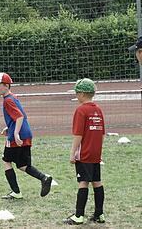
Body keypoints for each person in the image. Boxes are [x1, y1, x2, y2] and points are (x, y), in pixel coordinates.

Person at [0, 72, 53, 199]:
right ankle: (44, 178)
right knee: (22, 165)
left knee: (6, 161)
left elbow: (19, 117)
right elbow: (22, 116)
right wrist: (9, 127)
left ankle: (16, 192)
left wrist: (15, 133)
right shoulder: (13, 97)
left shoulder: (7, 100)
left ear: (6, 85)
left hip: (16, 137)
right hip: (26, 134)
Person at [64, 78, 106, 225]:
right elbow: (102, 134)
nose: (76, 95)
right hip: (96, 152)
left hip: (84, 153)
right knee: (97, 181)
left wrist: (73, 153)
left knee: (83, 182)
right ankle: (99, 214)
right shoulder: (98, 110)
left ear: (82, 94)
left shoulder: (81, 110)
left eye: (77, 93)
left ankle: (79, 216)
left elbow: (78, 134)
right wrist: (99, 151)